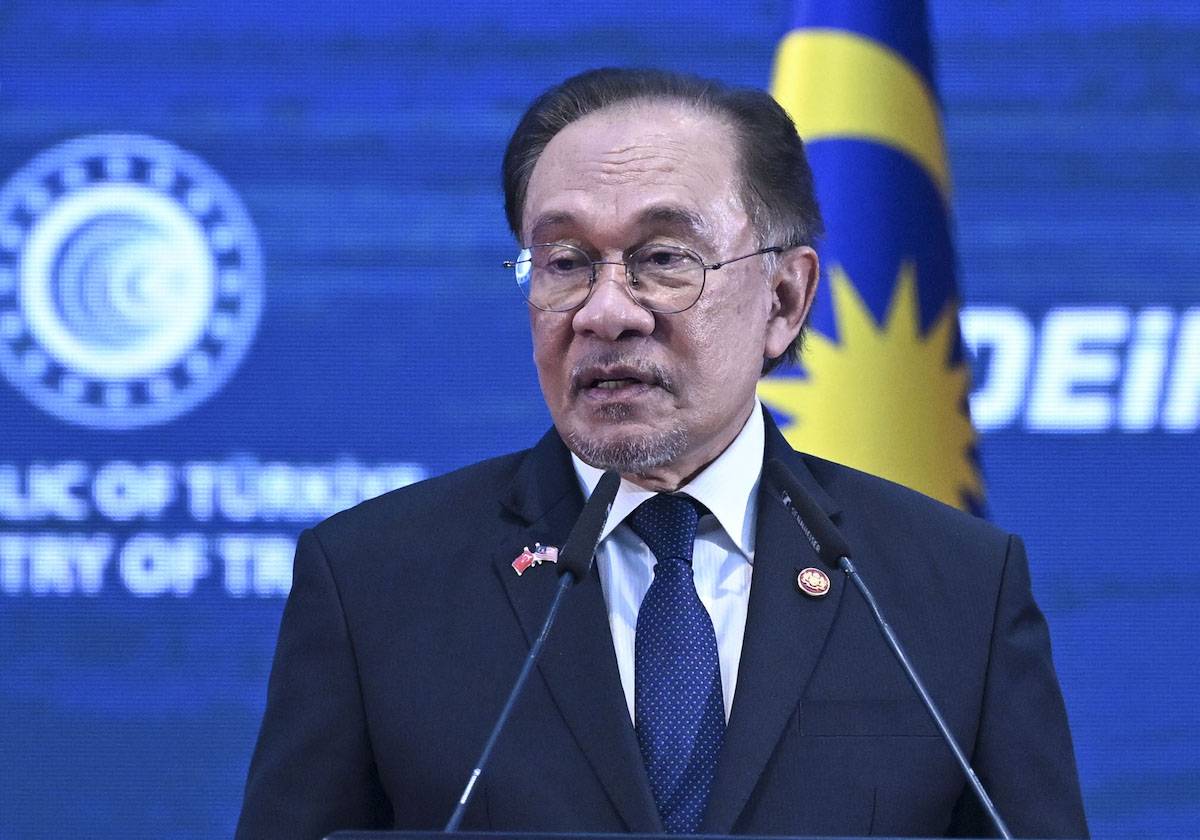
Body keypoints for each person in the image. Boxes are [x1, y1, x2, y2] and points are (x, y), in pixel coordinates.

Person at [236, 68, 1088, 839]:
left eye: (663, 259)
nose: (606, 311)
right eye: (565, 260)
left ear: (785, 299)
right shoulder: (374, 583)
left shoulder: (957, 590)